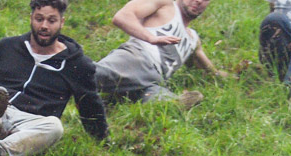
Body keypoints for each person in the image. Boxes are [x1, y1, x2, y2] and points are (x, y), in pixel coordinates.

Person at [0, 0, 107, 156]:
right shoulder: (6, 47)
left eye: (51, 21)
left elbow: (89, 104)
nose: (44, 26)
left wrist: (103, 139)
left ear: (62, 22)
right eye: (39, 19)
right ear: (31, 18)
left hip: (30, 122)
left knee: (54, 127)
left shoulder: (77, 64)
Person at [93, 0, 226, 108]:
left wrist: (223, 76)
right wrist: (151, 38)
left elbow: (207, 67)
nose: (198, 1)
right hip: (137, 58)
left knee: (163, 102)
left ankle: (175, 103)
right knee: (92, 74)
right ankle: (73, 61)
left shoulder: (193, 39)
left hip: (154, 81)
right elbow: (122, 17)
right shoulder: (164, 5)